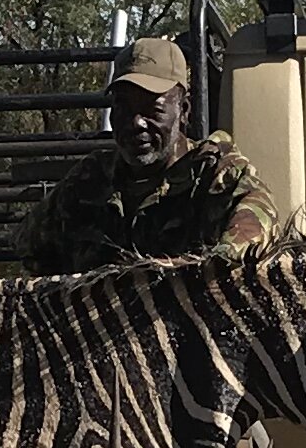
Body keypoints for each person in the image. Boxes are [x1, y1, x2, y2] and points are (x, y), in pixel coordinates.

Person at [19, 36, 276, 271]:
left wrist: (192, 272)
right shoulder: (90, 179)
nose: (136, 123)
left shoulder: (214, 172)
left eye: (152, 110)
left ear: (184, 110)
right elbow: (30, 245)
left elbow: (257, 222)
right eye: (124, 108)